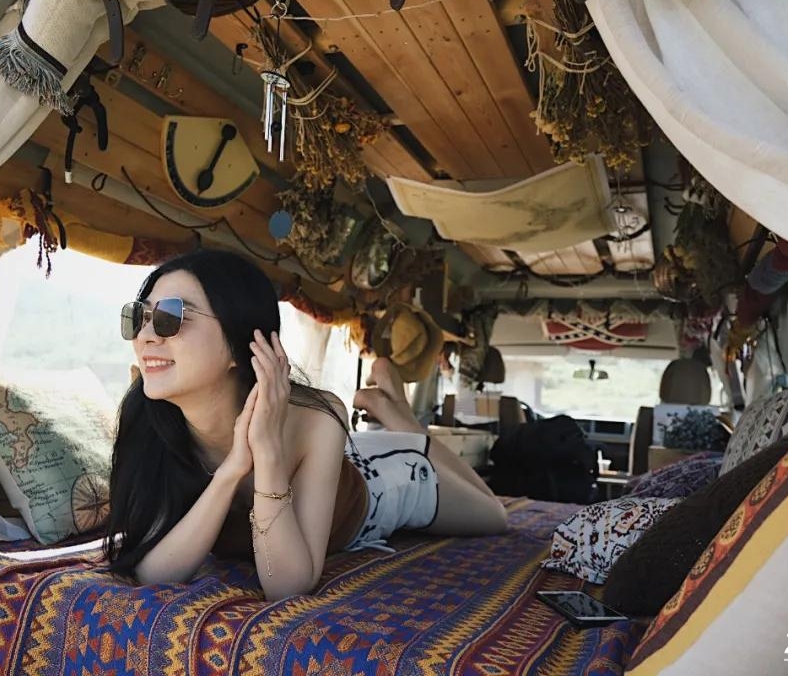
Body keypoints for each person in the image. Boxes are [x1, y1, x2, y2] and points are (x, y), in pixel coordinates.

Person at [103, 249, 507, 599]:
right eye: (140, 317)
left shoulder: (316, 416)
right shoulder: (149, 415)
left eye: (171, 316)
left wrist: (267, 451)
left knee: (495, 516)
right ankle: (397, 419)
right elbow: (152, 571)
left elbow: (287, 586)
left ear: (240, 343)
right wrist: (232, 471)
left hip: (385, 481)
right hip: (336, 455)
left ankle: (405, 424)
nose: (145, 336)